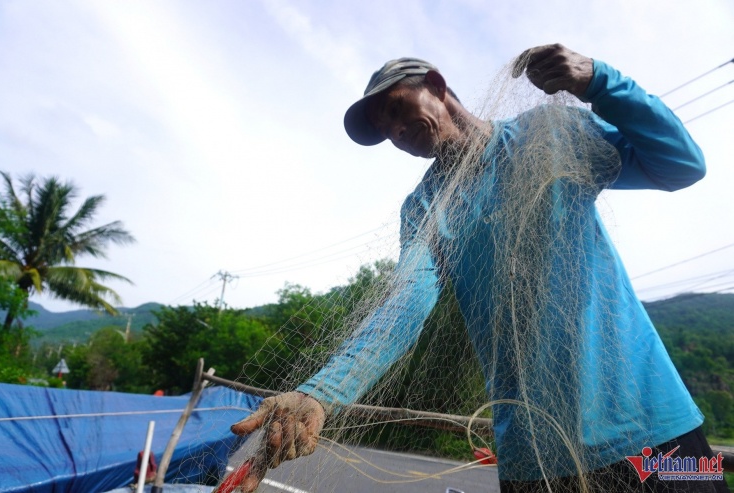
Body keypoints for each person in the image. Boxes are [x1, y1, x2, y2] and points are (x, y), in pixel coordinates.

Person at [231, 44, 728, 492]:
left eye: (399, 110)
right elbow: (404, 303)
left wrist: (597, 80)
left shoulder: (548, 134)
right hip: (533, 463)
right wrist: (321, 393)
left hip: (654, 434)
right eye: (386, 131)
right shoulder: (426, 206)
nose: (397, 133)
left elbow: (682, 164)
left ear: (438, 86)